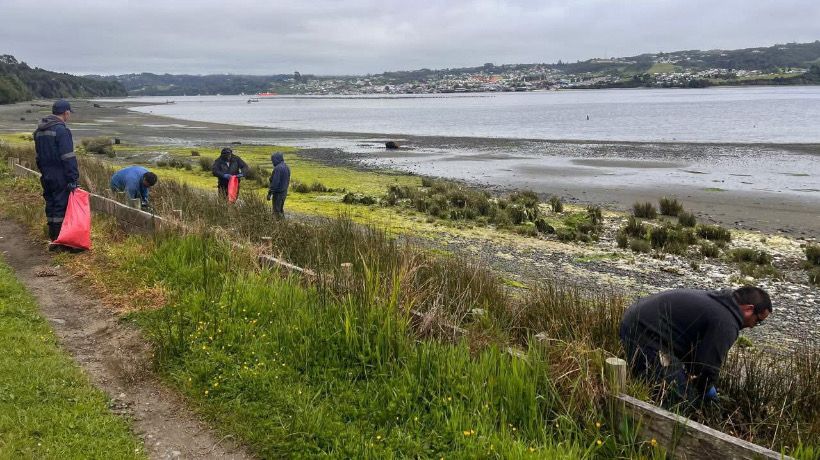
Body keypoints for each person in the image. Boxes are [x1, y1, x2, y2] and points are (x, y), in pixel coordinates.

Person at [619, 286, 771, 403]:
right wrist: (706, 391)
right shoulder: (727, 323)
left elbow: (697, 356)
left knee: (678, 386)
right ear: (749, 309)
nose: (753, 326)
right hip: (643, 333)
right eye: (758, 321)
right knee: (681, 399)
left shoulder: (720, 304)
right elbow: (707, 366)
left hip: (641, 325)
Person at [34, 100, 79, 243]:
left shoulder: (38, 131)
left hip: (46, 174)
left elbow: (38, 156)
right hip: (60, 175)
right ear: (66, 113)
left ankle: (53, 236)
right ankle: (60, 240)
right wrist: (73, 178)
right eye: (69, 113)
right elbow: (68, 157)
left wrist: (44, 171)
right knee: (60, 206)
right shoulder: (61, 131)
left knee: (51, 203)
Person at [266, 151, 290, 218]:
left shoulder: (277, 168)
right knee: (280, 210)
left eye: (273, 160)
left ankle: (279, 224)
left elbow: (275, 183)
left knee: (276, 211)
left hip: (278, 193)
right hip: (284, 192)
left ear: (277, 159)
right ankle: (283, 223)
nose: (272, 162)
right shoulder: (286, 167)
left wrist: (270, 193)